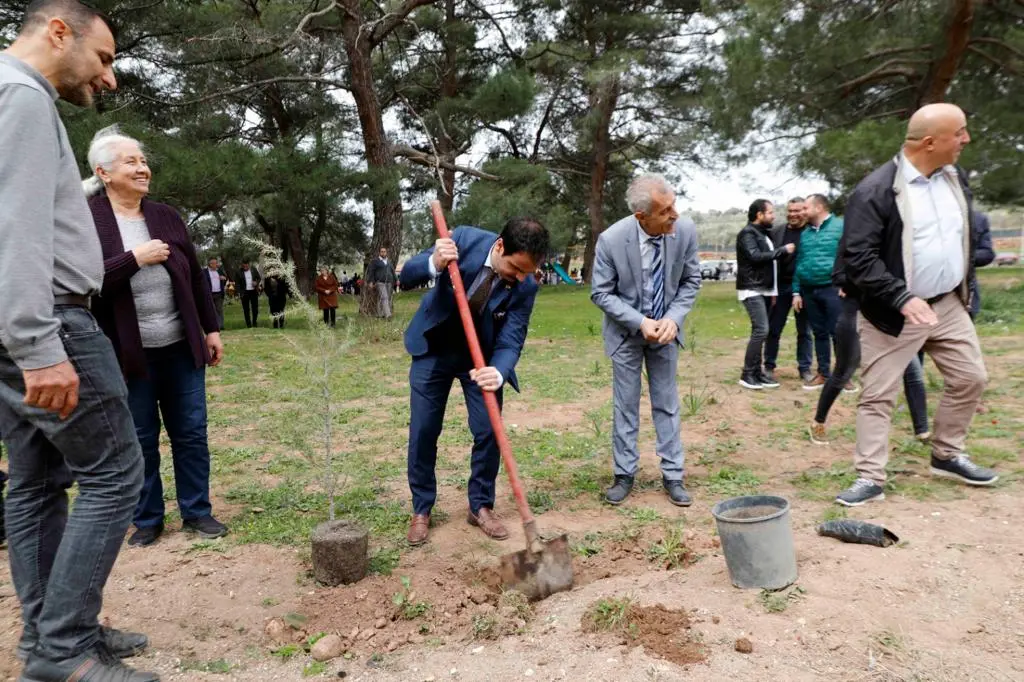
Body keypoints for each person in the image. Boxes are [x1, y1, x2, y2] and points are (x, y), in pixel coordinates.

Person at [0, 2, 159, 680]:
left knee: (36, 482)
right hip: (49, 322)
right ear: (57, 32)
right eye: (105, 58)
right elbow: (17, 231)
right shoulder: (23, 100)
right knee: (117, 474)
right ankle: (64, 651)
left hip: (17, 324)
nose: (110, 78)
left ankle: (50, 637)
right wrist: (38, 344)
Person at [834, 103, 997, 507]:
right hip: (892, 312)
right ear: (930, 142)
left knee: (971, 378)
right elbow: (859, 257)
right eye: (959, 132)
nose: (966, 139)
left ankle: (946, 453)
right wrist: (902, 298)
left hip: (947, 305)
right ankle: (869, 477)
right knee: (878, 396)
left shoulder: (955, 179)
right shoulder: (875, 190)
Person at [85, 128, 229, 548]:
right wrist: (134, 258)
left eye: (143, 161)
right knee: (140, 437)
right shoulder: (87, 218)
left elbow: (197, 277)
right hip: (127, 355)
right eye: (131, 162)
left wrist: (211, 329)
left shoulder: (166, 215)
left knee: (191, 432)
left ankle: (197, 512)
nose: (142, 168)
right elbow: (85, 280)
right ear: (104, 173)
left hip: (181, 348)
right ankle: (147, 519)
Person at [400, 218, 550, 546]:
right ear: (499, 246)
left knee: (488, 431)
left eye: (528, 271)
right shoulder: (463, 241)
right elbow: (407, 276)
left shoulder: (525, 285)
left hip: (480, 357)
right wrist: (433, 262)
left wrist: (499, 370)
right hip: (434, 348)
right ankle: (422, 508)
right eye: (516, 268)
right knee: (424, 430)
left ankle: (480, 505)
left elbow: (512, 338)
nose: (521, 277)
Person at [591, 174, 702, 506]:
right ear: (642, 216)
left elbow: (691, 280)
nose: (675, 215)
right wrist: (640, 322)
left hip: (666, 332)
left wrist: (672, 319)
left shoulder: (685, 231)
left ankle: (673, 475)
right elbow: (601, 293)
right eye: (666, 210)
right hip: (626, 333)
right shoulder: (611, 240)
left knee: (666, 403)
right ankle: (624, 473)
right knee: (625, 405)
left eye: (674, 205)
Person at [735, 199, 796, 389]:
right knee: (762, 330)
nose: (773, 215)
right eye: (770, 212)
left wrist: (772, 291)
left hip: (764, 289)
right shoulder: (747, 233)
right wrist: (782, 251)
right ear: (759, 215)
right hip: (751, 288)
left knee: (761, 330)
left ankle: (757, 373)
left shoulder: (763, 233)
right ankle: (747, 374)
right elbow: (754, 257)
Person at [791, 194, 845, 390]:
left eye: (805, 208)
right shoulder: (805, 234)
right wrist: (796, 292)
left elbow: (852, 256)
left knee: (838, 333)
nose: (802, 212)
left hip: (833, 289)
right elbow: (800, 262)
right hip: (809, 290)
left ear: (819, 207)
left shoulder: (840, 227)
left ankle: (843, 376)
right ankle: (823, 373)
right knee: (819, 333)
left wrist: (848, 283)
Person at [764, 197, 813, 384]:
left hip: (804, 287)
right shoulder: (776, 232)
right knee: (774, 329)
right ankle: (769, 366)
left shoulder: (811, 232)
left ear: (805, 211)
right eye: (790, 210)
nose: (793, 214)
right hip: (780, 286)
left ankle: (805, 368)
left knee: (805, 331)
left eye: (797, 211)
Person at [367, 246, 397, 318]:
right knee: (384, 297)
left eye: (384, 251)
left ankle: (380, 314)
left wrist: (397, 280)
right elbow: (371, 272)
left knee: (386, 298)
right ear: (379, 253)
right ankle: (388, 315)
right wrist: (371, 282)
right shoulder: (375, 261)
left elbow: (393, 271)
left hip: (389, 282)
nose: (383, 253)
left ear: (386, 253)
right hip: (380, 282)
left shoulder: (389, 262)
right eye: (382, 251)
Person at [236, 258, 262, 328]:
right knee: (246, 309)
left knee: (255, 308)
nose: (245, 268)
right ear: (242, 265)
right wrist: (239, 292)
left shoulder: (253, 269)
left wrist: (256, 282)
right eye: (243, 266)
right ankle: (249, 325)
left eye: (246, 266)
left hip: (253, 291)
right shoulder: (239, 272)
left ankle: (254, 323)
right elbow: (237, 283)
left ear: (249, 264)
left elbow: (259, 278)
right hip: (244, 293)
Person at [205, 256, 227, 330]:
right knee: (211, 310)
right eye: (213, 263)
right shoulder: (204, 272)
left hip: (219, 293)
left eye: (216, 263)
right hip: (209, 294)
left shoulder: (219, 270)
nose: (215, 265)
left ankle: (221, 326)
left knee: (219, 310)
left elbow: (225, 278)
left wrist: (223, 279)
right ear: (209, 264)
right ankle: (212, 326)